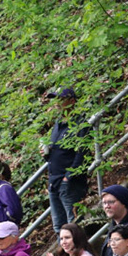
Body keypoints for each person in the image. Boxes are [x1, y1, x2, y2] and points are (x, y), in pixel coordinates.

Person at [43, 88, 85, 232]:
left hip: (69, 182)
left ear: (72, 101)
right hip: (54, 181)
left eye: (61, 99)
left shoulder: (80, 124)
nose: (57, 103)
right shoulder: (58, 124)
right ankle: (63, 248)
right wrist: (47, 154)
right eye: (55, 99)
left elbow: (82, 153)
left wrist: (69, 177)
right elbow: (58, 152)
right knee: (58, 226)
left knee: (74, 225)